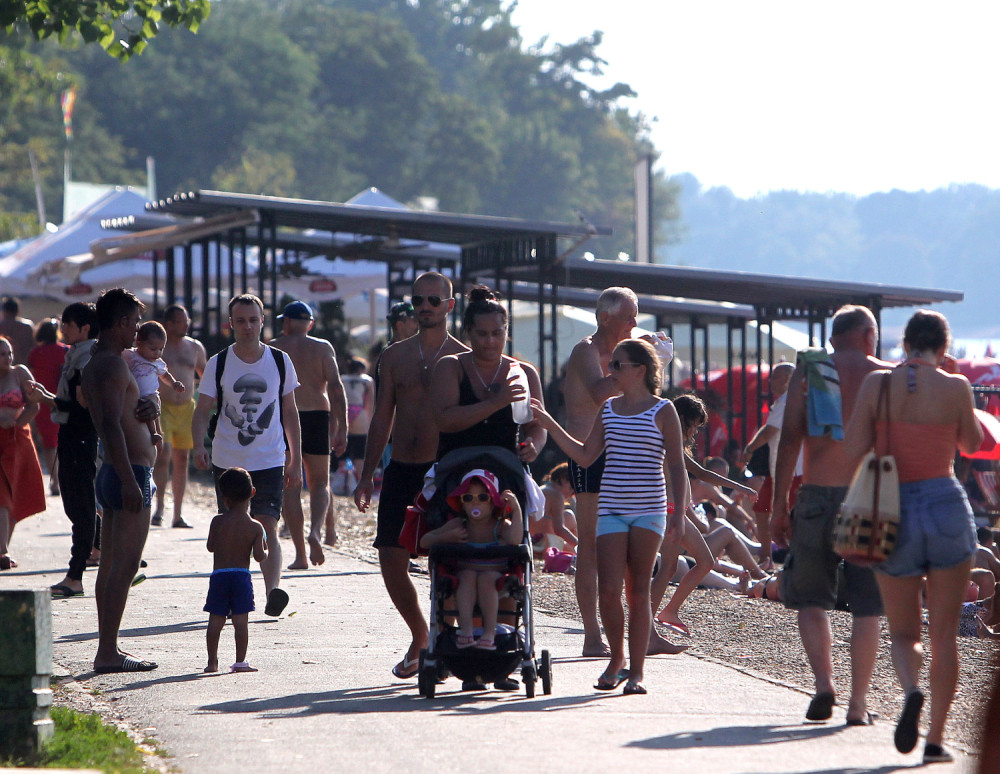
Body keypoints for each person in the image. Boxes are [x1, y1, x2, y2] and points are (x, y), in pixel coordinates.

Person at [843, 309, 981, 763]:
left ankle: (911, 692)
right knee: (944, 634)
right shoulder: (956, 386)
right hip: (945, 504)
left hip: (893, 509)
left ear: (903, 345)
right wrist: (953, 386)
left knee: (903, 631)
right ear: (944, 347)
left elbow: (855, 445)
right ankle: (936, 742)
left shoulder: (877, 385)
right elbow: (972, 443)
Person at [531, 338, 689, 695]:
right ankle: (616, 660)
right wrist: (551, 424)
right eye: (611, 364)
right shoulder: (609, 410)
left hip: (649, 509)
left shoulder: (663, 410)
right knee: (608, 589)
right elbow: (585, 456)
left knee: (638, 591)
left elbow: (677, 466)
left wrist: (679, 513)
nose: (611, 371)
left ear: (640, 371)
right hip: (613, 509)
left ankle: (636, 672)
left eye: (618, 365)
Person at [771, 304, 890, 725]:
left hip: (817, 494)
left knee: (812, 598)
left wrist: (779, 506)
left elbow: (789, 440)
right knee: (867, 606)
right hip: (867, 498)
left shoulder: (813, 369)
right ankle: (858, 705)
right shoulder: (887, 376)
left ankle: (824, 685)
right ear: (868, 335)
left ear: (834, 337)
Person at [353, 272, 467, 680]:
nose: (425, 306)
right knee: (390, 557)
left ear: (449, 306)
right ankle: (421, 634)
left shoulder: (462, 356)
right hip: (400, 467)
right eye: (419, 299)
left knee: (447, 561)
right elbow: (382, 416)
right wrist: (368, 474)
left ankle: (445, 639)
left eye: (434, 300)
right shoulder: (394, 356)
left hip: (444, 471)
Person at [192, 294, 302, 618]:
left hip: (270, 457)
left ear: (262, 322)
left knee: (268, 522)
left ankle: (272, 592)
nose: (247, 326)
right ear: (230, 324)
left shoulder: (280, 361)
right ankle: (229, 595)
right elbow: (202, 410)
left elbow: (290, 412)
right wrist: (199, 445)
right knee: (233, 528)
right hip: (228, 459)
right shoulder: (219, 362)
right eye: (240, 320)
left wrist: (294, 457)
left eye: (253, 320)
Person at [81, 288, 159, 672]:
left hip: (115, 469)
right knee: (124, 567)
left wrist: (150, 406)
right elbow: (111, 424)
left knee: (112, 565)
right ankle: (107, 651)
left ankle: (107, 646)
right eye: (135, 322)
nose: (138, 330)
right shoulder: (111, 364)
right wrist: (130, 479)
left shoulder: (101, 361)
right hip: (128, 471)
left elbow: (123, 413)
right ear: (122, 322)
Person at [559, 287, 639, 657]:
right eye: (629, 317)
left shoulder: (623, 354)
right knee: (590, 546)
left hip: (622, 455)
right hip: (588, 456)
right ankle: (592, 635)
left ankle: (638, 630)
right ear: (606, 318)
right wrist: (643, 364)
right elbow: (599, 393)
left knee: (625, 547)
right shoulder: (586, 351)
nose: (635, 324)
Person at [24, 303, 101, 595]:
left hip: (80, 437)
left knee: (80, 506)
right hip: (71, 435)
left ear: (84, 328)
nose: (62, 330)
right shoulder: (76, 354)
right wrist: (49, 397)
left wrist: (48, 400)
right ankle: (103, 554)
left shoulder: (87, 359)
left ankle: (75, 574)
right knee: (78, 504)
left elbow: (83, 409)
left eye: (67, 325)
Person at [270, 300, 347, 570]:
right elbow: (336, 389)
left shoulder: (274, 348)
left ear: (287, 322)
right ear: (310, 324)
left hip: (285, 417)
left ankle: (301, 554)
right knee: (320, 483)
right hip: (317, 416)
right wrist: (342, 428)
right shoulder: (323, 348)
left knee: (290, 485)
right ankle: (316, 530)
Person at [423, 470, 523, 650]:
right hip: (466, 574)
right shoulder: (459, 524)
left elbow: (515, 539)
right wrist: (447, 536)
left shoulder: (499, 525)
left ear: (493, 502)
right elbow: (425, 540)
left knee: (485, 579)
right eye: (468, 498)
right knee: (467, 576)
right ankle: (467, 630)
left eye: (482, 497)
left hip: (494, 577)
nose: (475, 502)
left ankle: (489, 632)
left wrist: (516, 510)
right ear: (461, 503)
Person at [204, 467, 268, 674]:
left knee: (216, 620)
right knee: (241, 621)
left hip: (220, 576)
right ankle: (240, 662)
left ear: (224, 497)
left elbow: (210, 547)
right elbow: (259, 556)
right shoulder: (256, 527)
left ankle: (212, 662)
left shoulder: (217, 521)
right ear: (252, 493)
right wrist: (264, 550)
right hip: (241, 576)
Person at [740, 362, 800, 569]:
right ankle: (768, 558)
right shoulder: (784, 403)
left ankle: (790, 561)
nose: (771, 381)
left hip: (791, 471)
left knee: (789, 515)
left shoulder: (787, 402)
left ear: (788, 380)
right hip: (778, 470)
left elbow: (769, 431)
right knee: (762, 510)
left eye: (776, 377)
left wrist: (749, 448)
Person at [152, 304, 207, 529]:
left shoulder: (195, 347)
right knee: (163, 454)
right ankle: (160, 507)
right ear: (169, 324)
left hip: (186, 408)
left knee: (182, 459)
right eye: (181, 321)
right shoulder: (159, 347)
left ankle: (178, 514)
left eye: (187, 320)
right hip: (162, 406)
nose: (187, 324)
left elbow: (206, 375)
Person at [0, 336, 46, 570]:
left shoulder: (20, 373)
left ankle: (2, 547)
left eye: (9, 353)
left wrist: (17, 425)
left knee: (17, 495)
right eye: (1, 354)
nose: (7, 358)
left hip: (18, 439)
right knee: (2, 495)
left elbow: (34, 404)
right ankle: (2, 551)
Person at [123, 321, 185, 451]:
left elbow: (165, 375)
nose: (157, 353)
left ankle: (155, 433)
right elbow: (116, 355)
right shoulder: (130, 355)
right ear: (139, 343)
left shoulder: (157, 363)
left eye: (161, 349)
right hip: (133, 395)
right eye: (153, 349)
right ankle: (153, 434)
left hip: (150, 394)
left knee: (152, 408)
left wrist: (174, 383)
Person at [28, 318, 68, 496]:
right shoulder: (65, 350)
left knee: (49, 445)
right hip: (64, 400)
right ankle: (63, 479)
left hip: (43, 402)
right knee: (64, 442)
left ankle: (55, 481)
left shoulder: (36, 353)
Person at [333, 357, 373, 495]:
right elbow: (370, 404)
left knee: (342, 451)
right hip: (359, 413)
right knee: (360, 455)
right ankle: (361, 488)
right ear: (362, 369)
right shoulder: (367, 380)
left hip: (344, 412)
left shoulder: (342, 378)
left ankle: (343, 485)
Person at [535, 462, 579, 556]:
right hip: (543, 543)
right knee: (569, 515)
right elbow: (559, 529)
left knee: (567, 515)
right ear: (562, 478)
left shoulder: (543, 489)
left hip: (535, 539)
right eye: (571, 488)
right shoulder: (556, 495)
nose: (570, 494)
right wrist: (579, 545)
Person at [0, 296, 35, 366]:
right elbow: (34, 347)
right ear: (17, 310)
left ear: (4, 311)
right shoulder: (27, 327)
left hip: (3, 367)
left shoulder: (1, 326)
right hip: (24, 365)